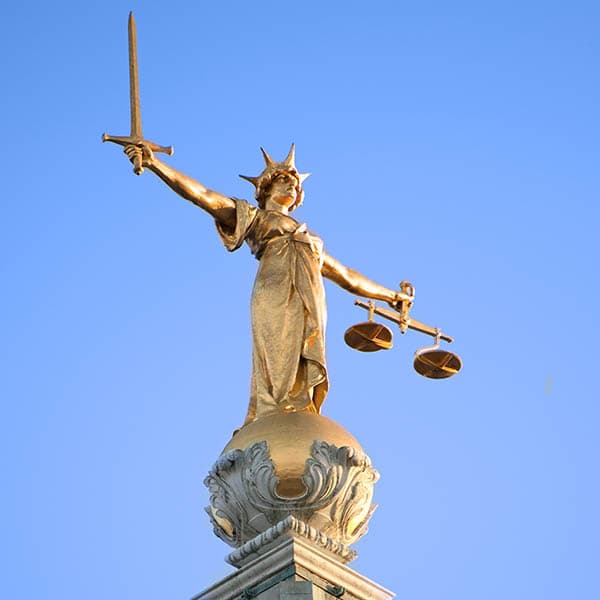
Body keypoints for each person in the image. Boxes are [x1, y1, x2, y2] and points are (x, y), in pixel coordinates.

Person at [124, 143, 410, 424]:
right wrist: (156, 164)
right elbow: (203, 196)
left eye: (295, 184)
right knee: (277, 353)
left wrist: (390, 297)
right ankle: (273, 410)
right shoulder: (256, 218)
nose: (291, 186)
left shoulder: (311, 240)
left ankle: (299, 408)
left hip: (310, 299)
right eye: (283, 180)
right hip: (274, 291)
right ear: (266, 188)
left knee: (303, 351)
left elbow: (346, 275)